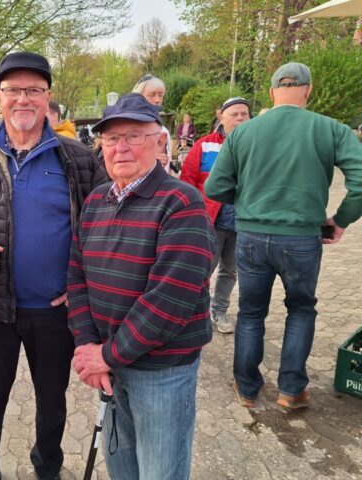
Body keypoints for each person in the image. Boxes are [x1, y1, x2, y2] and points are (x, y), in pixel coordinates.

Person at [0, 51, 106, 480]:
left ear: (48, 96)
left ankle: (47, 469)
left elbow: (104, 225)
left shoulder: (77, 158)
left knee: (52, 403)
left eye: (33, 89)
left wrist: (84, 286)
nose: (23, 99)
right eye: (14, 90)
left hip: (54, 310)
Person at [69, 93, 215, 480]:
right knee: (121, 466)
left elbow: (169, 300)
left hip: (160, 372)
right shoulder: (95, 201)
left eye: (133, 135)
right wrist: (87, 344)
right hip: (109, 364)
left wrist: (107, 355)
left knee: (159, 473)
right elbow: (77, 275)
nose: (121, 147)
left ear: (160, 141)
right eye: (111, 138)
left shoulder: (182, 202)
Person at [205, 62, 362, 410]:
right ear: (309, 89)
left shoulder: (243, 132)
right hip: (302, 238)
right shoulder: (331, 129)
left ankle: (247, 389)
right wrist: (340, 220)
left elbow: (215, 187)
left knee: (250, 313)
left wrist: (248, 203)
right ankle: (291, 391)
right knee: (301, 310)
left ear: (272, 92)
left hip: (251, 236)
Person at [180, 96, 251, 334]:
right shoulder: (205, 145)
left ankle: (218, 311)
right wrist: (193, 216)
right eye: (235, 114)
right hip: (211, 221)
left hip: (242, 222)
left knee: (230, 271)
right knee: (202, 270)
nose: (240, 118)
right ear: (221, 116)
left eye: (244, 114)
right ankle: (191, 313)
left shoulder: (256, 145)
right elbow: (187, 182)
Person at [132, 74, 173, 173]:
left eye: (160, 95)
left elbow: (168, 167)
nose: (157, 100)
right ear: (139, 96)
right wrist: (150, 163)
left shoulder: (163, 130)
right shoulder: (127, 126)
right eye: (152, 95)